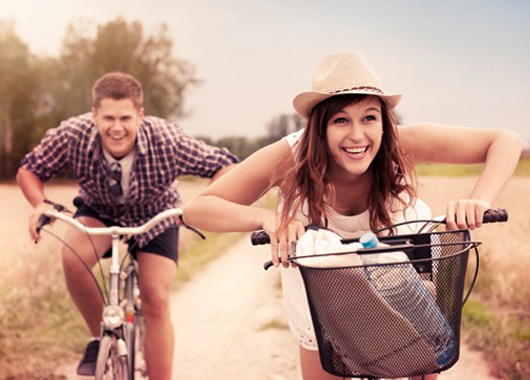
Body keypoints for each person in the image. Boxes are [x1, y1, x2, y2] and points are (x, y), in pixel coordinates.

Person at [182, 51, 523, 380]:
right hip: (323, 303)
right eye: (341, 119)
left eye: (369, 117)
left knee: (423, 358)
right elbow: (198, 209)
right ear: (320, 127)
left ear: (383, 121)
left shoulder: (402, 144)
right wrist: (267, 220)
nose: (357, 135)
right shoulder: (291, 157)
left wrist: (478, 200)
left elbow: (505, 141)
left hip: (402, 286)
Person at [16, 72, 237, 380]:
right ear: (94, 115)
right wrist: (40, 203)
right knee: (72, 260)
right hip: (100, 210)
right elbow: (29, 169)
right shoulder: (72, 135)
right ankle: (100, 338)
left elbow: (225, 165)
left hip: (158, 216)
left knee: (155, 299)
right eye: (108, 118)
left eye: (125, 118)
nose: (116, 128)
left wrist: (197, 206)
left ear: (140, 116)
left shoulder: (166, 139)